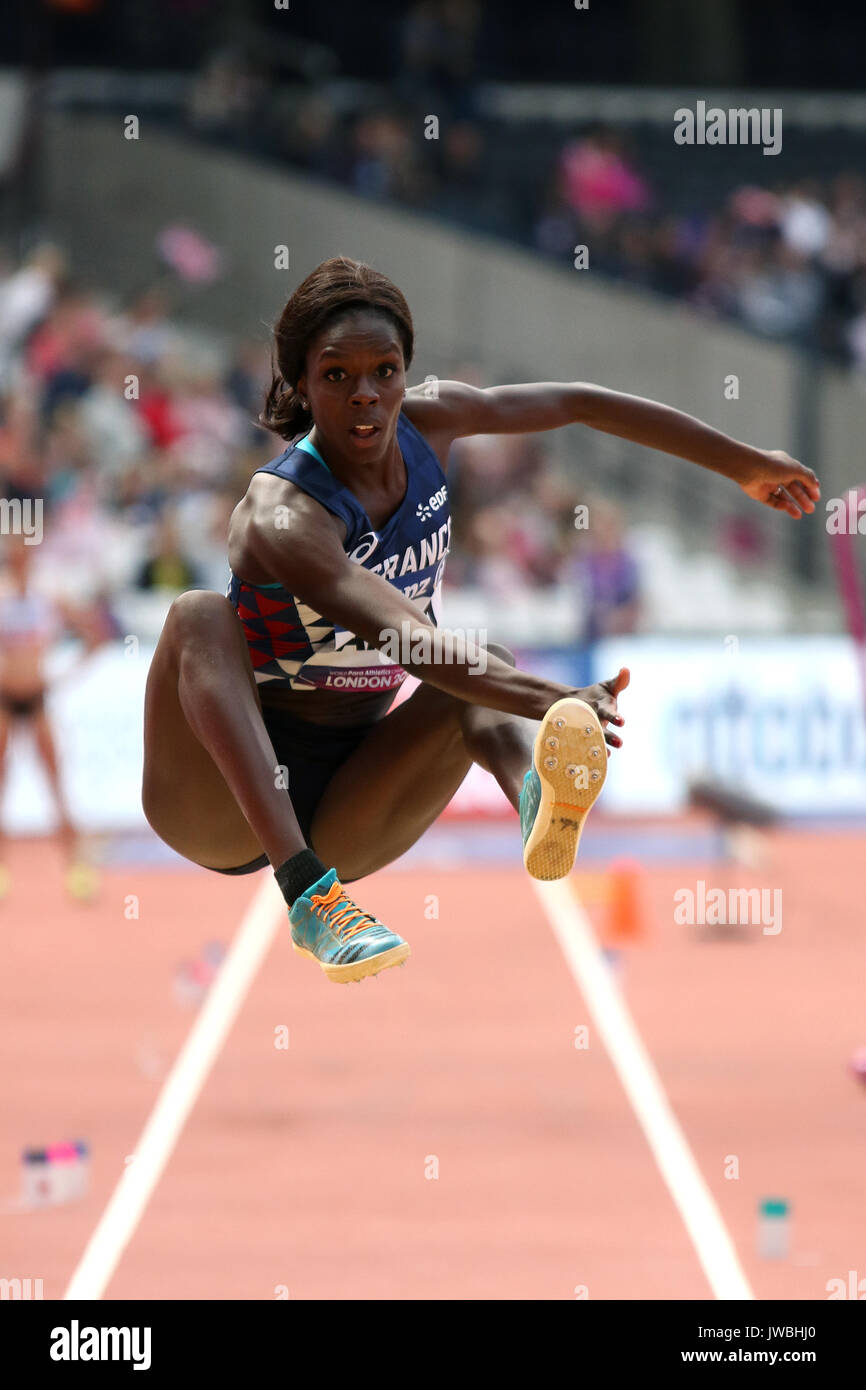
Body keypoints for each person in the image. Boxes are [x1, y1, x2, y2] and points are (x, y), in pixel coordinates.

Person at [141, 257, 820, 985]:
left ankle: (535, 796)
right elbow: (404, 638)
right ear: (302, 383)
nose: (366, 396)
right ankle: (310, 899)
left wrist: (744, 463)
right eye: (337, 376)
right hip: (218, 802)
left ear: (407, 373)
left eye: (385, 371)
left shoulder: (435, 423)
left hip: (349, 805)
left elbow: (581, 404)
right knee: (198, 617)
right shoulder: (282, 516)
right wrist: (550, 697)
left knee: (482, 660)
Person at [0, 534, 105, 899]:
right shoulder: (2, 595)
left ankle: (77, 869)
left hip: (38, 696)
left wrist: (64, 675)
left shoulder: (47, 595)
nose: (18, 559)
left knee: (56, 785)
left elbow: (94, 634)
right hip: (5, 699)